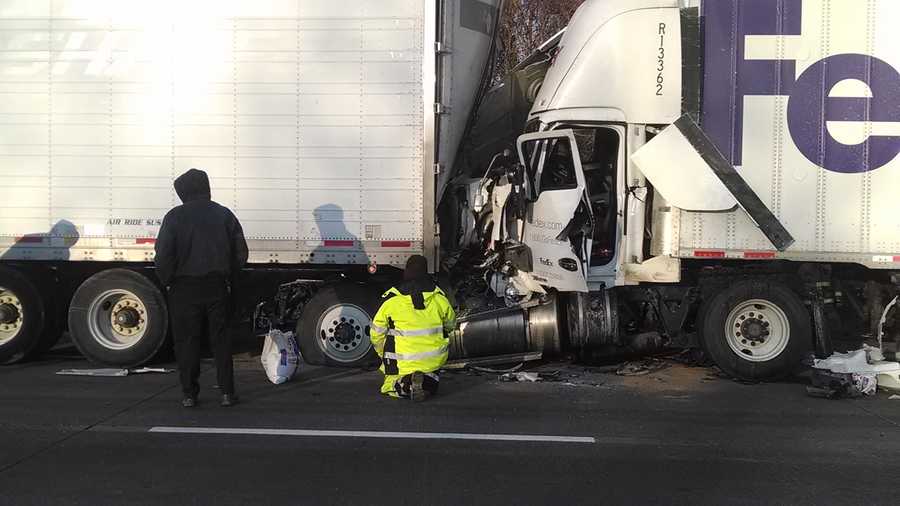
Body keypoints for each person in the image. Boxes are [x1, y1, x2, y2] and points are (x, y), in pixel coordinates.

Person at [154, 168, 248, 408]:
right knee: (221, 341)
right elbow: (241, 253)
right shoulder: (224, 214)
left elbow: (163, 255)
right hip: (217, 286)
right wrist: (230, 276)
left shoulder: (174, 217)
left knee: (187, 342)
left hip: (183, 288)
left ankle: (189, 394)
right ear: (206, 187)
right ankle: (227, 393)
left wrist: (167, 281)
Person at [369, 255, 456, 401]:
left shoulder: (391, 300)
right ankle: (425, 381)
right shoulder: (439, 298)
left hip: (400, 362)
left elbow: (376, 334)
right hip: (433, 361)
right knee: (431, 386)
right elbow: (451, 325)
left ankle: (405, 384)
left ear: (406, 272)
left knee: (389, 386)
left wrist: (382, 353)